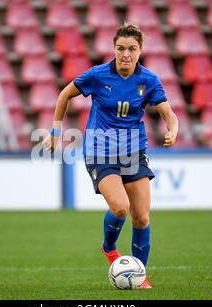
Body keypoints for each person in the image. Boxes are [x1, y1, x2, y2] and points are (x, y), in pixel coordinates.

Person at [43, 22, 178, 289]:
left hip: (133, 151)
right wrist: (55, 131)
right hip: (99, 150)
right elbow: (65, 94)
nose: (126, 54)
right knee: (120, 207)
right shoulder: (98, 75)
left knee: (141, 217)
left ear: (140, 50)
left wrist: (172, 129)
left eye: (132, 49)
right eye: (120, 49)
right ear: (113, 49)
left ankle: (139, 276)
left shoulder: (148, 80)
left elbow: (168, 113)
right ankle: (109, 247)